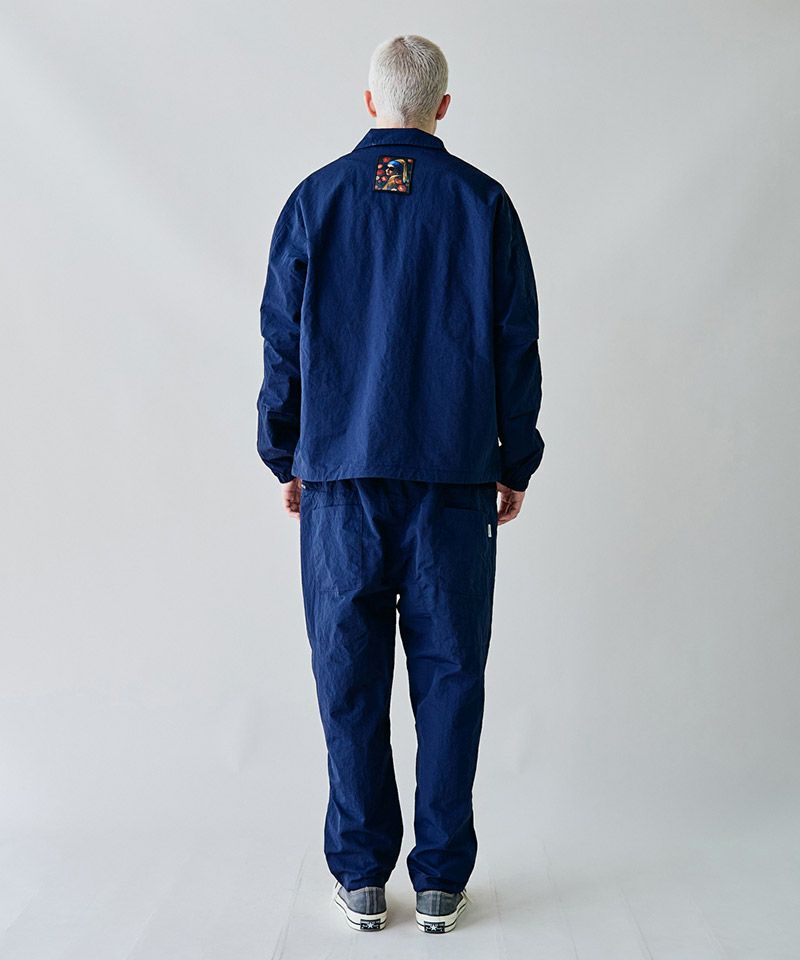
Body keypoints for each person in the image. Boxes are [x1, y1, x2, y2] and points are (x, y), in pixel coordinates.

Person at [256, 34, 544, 934]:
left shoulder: (315, 200)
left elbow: (280, 340)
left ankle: (361, 876)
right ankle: (443, 881)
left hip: (339, 483)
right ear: (443, 107)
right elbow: (517, 344)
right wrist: (515, 459)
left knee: (348, 681)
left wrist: (284, 452)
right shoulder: (484, 204)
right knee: (451, 679)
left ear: (370, 101)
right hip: (453, 482)